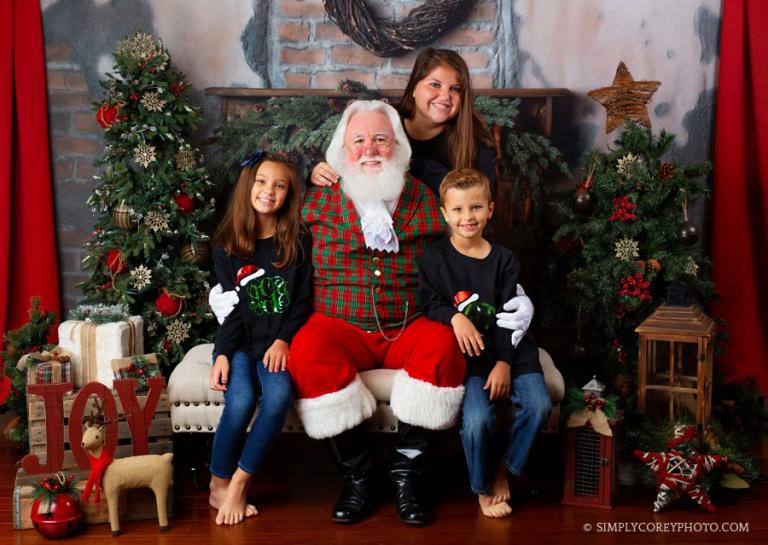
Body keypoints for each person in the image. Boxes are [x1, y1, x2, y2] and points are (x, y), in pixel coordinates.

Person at [308, 47, 532, 338]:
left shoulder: (475, 148)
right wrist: (316, 170)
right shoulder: (384, 123)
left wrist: (513, 289)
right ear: (414, 87)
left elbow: (478, 220)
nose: (445, 96)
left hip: (444, 255)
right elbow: (348, 151)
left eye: (455, 89)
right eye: (434, 85)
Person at [419, 168, 551, 519]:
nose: (467, 217)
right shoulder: (434, 258)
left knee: (539, 405)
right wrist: (455, 317)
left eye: (475, 208)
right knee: (477, 419)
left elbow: (511, 316)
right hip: (472, 358)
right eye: (458, 210)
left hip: (513, 352)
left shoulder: (505, 260)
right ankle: (481, 487)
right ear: (444, 213)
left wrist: (505, 362)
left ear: (490, 209)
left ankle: (504, 469)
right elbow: (429, 302)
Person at [207, 151, 312, 525]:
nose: (269, 191)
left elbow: (301, 302)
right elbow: (231, 307)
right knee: (239, 401)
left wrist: (284, 340)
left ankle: (240, 480)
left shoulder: (297, 240)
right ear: (248, 186)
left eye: (280, 185)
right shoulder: (226, 245)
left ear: (289, 193)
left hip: (276, 345)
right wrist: (221, 353)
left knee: (279, 395)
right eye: (262, 181)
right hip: (239, 344)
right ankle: (217, 482)